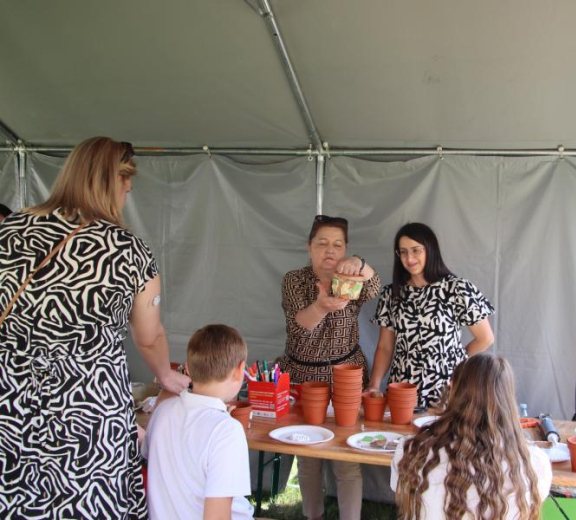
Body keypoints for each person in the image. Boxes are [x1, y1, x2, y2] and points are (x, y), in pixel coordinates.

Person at [0, 137, 190, 518]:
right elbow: (148, 336)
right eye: (126, 189)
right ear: (112, 184)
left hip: (12, 398)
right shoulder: (128, 250)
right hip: (88, 405)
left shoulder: (10, 230)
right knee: (90, 500)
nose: (124, 200)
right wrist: (164, 375)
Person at [279, 214, 381, 520]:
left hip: (345, 375)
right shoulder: (294, 280)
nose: (329, 250)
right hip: (303, 376)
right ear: (309, 247)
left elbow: (374, 285)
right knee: (308, 457)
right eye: (322, 243)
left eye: (337, 244)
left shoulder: (351, 280)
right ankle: (314, 516)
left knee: (346, 457)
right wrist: (322, 306)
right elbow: (299, 326)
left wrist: (359, 264)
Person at [391, 353, 551, 520]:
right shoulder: (534, 463)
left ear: (452, 389)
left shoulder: (411, 452)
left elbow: (402, 496)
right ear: (509, 400)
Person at [369, 222, 495, 408]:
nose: (409, 258)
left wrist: (456, 362)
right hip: (403, 389)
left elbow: (485, 338)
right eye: (402, 252)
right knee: (400, 437)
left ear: (430, 249)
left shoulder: (457, 288)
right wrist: (374, 384)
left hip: (447, 388)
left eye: (416, 250)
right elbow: (385, 347)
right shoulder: (392, 293)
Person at [142, 324, 254, 520]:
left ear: (188, 369)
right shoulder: (227, 431)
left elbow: (147, 455)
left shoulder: (162, 412)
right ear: (240, 371)